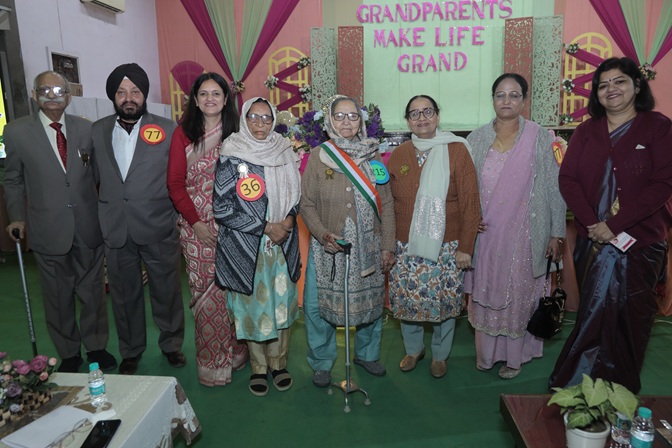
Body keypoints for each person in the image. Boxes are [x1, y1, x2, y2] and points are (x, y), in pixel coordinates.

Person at [549, 57, 672, 393]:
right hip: (594, 241)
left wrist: (615, 225)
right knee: (593, 314)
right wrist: (594, 225)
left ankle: (620, 390)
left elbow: (663, 184)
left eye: (619, 81)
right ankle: (578, 389)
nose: (610, 89)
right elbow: (568, 179)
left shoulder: (658, 127)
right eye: (603, 85)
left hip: (641, 242)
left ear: (637, 85)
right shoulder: (587, 131)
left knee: (632, 319)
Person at [4, 71, 116, 372]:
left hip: (87, 225)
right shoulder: (16, 132)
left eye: (58, 91)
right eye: (45, 90)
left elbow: (97, 175)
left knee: (92, 293)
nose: (51, 96)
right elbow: (12, 179)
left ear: (68, 96)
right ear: (33, 95)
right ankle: (69, 352)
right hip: (48, 227)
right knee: (57, 295)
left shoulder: (86, 129)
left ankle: (96, 347)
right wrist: (17, 218)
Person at [466, 73, 566, 379]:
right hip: (485, 235)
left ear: (524, 100)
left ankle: (515, 358)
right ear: (493, 100)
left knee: (519, 297)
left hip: (526, 235)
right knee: (487, 290)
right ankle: (486, 356)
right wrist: (469, 221)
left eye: (513, 95)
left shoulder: (542, 138)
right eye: (500, 94)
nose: (506, 100)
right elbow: (465, 188)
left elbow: (555, 187)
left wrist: (557, 233)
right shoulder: (476, 139)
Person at [91, 63, 185, 375]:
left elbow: (177, 177)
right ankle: (131, 350)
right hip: (116, 227)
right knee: (123, 294)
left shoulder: (168, 129)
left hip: (158, 224)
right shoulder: (98, 131)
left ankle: (171, 344)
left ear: (144, 95)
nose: (128, 98)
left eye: (135, 91)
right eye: (121, 92)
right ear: (113, 97)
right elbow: (93, 178)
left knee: (166, 291)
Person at [301, 95, 396, 387]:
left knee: (370, 304)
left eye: (352, 116)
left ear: (361, 121)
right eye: (339, 116)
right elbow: (307, 204)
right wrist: (322, 234)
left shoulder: (373, 155)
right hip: (329, 245)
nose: (346, 122)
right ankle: (322, 362)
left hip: (369, 245)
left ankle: (367, 355)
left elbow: (387, 203)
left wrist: (387, 245)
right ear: (329, 121)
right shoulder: (318, 156)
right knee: (318, 306)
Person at [387, 95, 480, 378]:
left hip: (446, 245)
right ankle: (413, 349)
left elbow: (471, 203)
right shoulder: (400, 154)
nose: (422, 118)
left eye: (427, 111)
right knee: (408, 300)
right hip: (406, 244)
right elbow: (388, 202)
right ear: (407, 121)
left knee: (443, 302)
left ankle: (440, 354)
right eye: (414, 113)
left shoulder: (457, 150)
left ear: (438, 116)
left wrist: (466, 247)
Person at [213, 97, 301, 397]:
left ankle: (278, 364)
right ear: (244, 118)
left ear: (274, 120)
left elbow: (297, 196)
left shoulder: (284, 151)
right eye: (254, 117)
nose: (260, 124)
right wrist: (265, 227)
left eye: (266, 118)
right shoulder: (232, 153)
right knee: (253, 306)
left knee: (280, 305)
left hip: (282, 244)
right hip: (247, 247)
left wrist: (287, 221)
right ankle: (259, 367)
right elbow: (222, 208)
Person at [167, 73, 248, 387]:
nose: (210, 99)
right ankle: (212, 364)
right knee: (205, 296)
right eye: (204, 93)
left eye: (216, 93)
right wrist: (197, 224)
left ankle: (237, 354)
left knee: (235, 294)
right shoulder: (183, 134)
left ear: (226, 99)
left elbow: (251, 182)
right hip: (196, 228)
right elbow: (175, 184)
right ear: (195, 99)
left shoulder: (238, 134)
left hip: (235, 227)